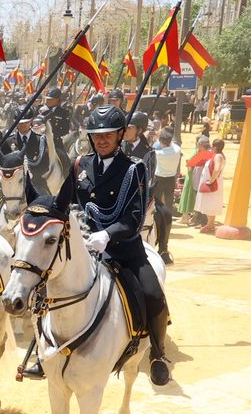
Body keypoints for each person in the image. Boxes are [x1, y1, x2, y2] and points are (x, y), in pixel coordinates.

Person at [57, 105, 174, 385]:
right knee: (47, 284)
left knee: (153, 295)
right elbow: (65, 202)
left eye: (108, 134)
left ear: (121, 134)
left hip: (123, 250)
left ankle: (158, 354)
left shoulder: (133, 169)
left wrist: (107, 235)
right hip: (84, 248)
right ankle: (43, 350)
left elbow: (134, 217)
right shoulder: (79, 165)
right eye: (96, 135)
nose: (102, 140)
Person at [150, 127, 182, 264]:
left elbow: (153, 150)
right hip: (170, 179)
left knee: (156, 205)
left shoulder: (158, 153)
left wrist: (155, 138)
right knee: (168, 205)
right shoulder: (177, 150)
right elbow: (173, 144)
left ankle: (157, 227)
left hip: (159, 179)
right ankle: (167, 228)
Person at [194, 138, 226, 233]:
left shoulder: (218, 156)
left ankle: (210, 224)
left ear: (215, 147)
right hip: (213, 182)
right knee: (210, 203)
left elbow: (217, 168)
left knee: (210, 203)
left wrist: (211, 180)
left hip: (213, 183)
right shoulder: (218, 155)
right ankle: (210, 224)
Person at [179, 134, 213, 222]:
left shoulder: (202, 154)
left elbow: (189, 165)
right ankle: (197, 218)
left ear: (201, 146)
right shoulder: (212, 153)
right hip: (207, 180)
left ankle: (198, 220)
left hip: (197, 179)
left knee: (197, 199)